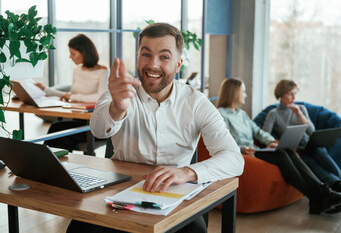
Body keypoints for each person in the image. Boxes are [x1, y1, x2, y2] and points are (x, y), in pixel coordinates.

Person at [65, 23, 244, 233]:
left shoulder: (196, 102)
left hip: (174, 198)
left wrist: (187, 172)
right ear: (138, 56)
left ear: (178, 64)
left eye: (164, 57)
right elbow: (98, 130)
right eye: (146, 54)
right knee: (79, 229)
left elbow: (234, 159)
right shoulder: (119, 93)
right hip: (118, 197)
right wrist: (118, 107)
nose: (153, 65)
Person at [217, 78, 341, 215]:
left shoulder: (241, 114)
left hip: (256, 150)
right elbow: (223, 140)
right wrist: (241, 149)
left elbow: (258, 132)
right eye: (243, 91)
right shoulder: (221, 114)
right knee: (283, 155)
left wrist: (272, 142)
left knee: (287, 150)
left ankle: (322, 194)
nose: (245, 95)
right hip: (245, 153)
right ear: (234, 92)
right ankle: (320, 196)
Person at [263, 79, 341, 212]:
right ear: (281, 95)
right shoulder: (273, 114)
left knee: (322, 154)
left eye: (295, 94)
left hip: (311, 144)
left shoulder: (302, 109)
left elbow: (311, 131)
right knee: (312, 165)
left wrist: (299, 114)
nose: (294, 97)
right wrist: (279, 143)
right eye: (290, 94)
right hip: (297, 149)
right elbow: (265, 134)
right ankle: (337, 187)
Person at [37, 34, 109, 153]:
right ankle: (46, 163)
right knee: (56, 129)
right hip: (79, 118)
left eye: (73, 53)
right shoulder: (77, 70)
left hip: (96, 124)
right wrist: (45, 89)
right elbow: (72, 94)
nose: (70, 57)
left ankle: (49, 164)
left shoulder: (103, 71)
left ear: (84, 53)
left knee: (59, 133)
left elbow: (99, 97)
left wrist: (72, 97)